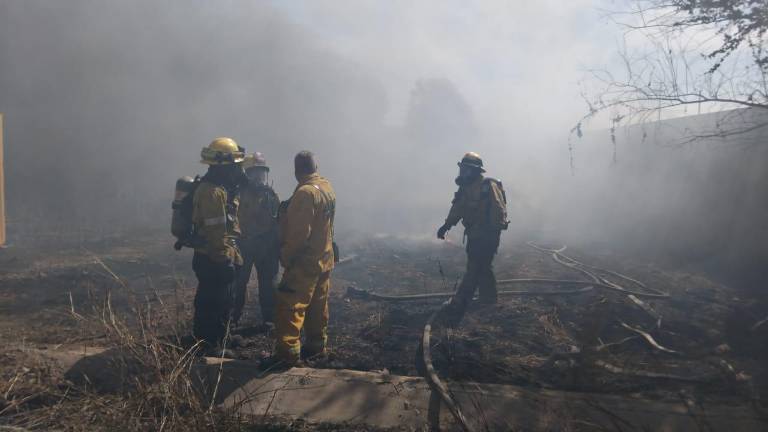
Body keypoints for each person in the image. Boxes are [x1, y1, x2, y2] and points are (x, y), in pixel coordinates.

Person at [264, 151, 336, 368]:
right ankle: (316, 347)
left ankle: (287, 354)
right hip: (324, 257)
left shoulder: (305, 194)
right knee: (317, 305)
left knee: (290, 305)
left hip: (305, 263)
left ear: (296, 172)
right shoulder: (326, 187)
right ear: (316, 166)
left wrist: (286, 256)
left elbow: (298, 234)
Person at [436, 152, 508, 322]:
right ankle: (488, 299)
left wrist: (491, 232)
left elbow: (499, 209)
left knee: (475, 267)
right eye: (462, 169)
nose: (463, 172)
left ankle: (461, 300)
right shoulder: (466, 188)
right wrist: (446, 226)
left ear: (475, 170)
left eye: (466, 169)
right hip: (474, 233)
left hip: (487, 234)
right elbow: (458, 209)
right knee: (483, 266)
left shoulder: (487, 185)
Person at [191, 137, 246, 352]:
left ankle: (221, 338)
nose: (236, 171)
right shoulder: (212, 193)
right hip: (214, 257)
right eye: (233, 166)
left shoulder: (218, 188)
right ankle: (211, 346)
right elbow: (216, 232)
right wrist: (224, 260)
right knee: (214, 304)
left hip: (214, 255)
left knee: (220, 301)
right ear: (223, 167)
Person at [232, 152, 280, 328]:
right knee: (237, 284)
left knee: (269, 283)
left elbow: (278, 222)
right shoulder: (237, 194)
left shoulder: (270, 195)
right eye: (255, 173)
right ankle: (232, 320)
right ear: (246, 174)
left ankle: (270, 319)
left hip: (265, 246)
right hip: (242, 245)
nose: (259, 177)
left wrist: (277, 246)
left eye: (262, 173)